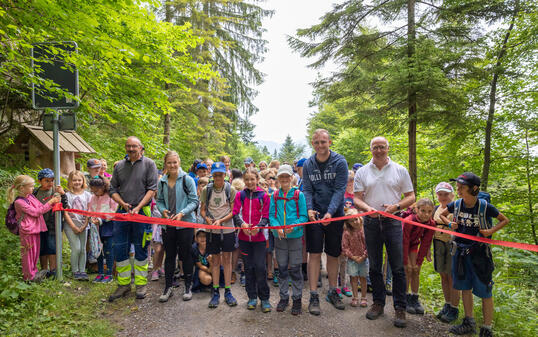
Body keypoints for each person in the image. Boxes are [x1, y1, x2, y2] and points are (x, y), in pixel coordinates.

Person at [353, 136, 415, 328]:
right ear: (370, 149)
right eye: (375, 147)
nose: (378, 150)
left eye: (382, 147)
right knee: (374, 266)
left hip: (393, 222)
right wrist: (367, 209)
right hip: (371, 223)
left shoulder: (400, 169)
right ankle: (378, 303)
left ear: (388, 148)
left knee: (397, 267)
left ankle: (400, 307)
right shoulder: (362, 172)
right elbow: (356, 198)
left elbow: (411, 196)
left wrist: (396, 206)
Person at [440, 172, 509, 337]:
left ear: (474, 188)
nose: (458, 189)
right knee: (465, 287)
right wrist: (450, 223)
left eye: (462, 187)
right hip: (460, 253)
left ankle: (486, 329)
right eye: (458, 186)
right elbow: (442, 214)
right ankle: (468, 322)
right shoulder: (456, 204)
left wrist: (490, 231)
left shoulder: (484, 206)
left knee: (485, 291)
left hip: (480, 255)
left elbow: (504, 220)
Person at [302, 129, 348, 315]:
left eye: (323, 142)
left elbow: (340, 190)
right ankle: (313, 294)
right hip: (315, 214)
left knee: (332, 253)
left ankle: (332, 290)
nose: (320, 145)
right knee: (314, 253)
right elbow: (307, 189)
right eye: (317, 142)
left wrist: (330, 213)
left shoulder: (340, 162)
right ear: (313, 144)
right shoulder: (308, 164)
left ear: (329, 142)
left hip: (335, 214)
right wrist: (309, 209)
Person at [108, 136, 159, 301]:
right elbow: (112, 188)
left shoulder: (149, 164)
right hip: (122, 213)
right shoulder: (120, 166)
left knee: (141, 247)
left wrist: (137, 208)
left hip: (142, 212)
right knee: (120, 248)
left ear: (141, 148)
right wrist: (122, 203)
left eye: (134, 146)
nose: (130, 149)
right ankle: (123, 285)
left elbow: (152, 189)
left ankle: (141, 283)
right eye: (128, 146)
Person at [156, 151, 199, 302]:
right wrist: (163, 211)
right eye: (169, 163)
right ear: (165, 164)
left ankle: (188, 286)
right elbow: (159, 201)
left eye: (175, 162)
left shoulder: (187, 179)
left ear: (179, 162)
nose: (172, 165)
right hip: (168, 225)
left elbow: (194, 201)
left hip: (185, 223)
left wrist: (182, 213)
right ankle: (168, 287)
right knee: (169, 255)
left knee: (185, 254)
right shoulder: (162, 181)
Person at [269, 164, 308, 315]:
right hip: (280, 238)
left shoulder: (299, 195)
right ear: (278, 178)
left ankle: (297, 299)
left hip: (295, 237)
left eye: (287, 176)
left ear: (292, 178)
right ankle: (284, 297)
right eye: (281, 177)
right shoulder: (274, 195)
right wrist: (277, 227)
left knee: (296, 269)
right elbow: (272, 215)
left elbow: (303, 216)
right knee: (282, 268)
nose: (284, 179)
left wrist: (294, 226)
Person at [232, 168, 271, 312]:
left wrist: (258, 227)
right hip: (244, 238)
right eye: (246, 179)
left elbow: (266, 216)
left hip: (259, 238)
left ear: (257, 179)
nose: (249, 182)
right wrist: (242, 225)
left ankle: (265, 298)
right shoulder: (240, 195)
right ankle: (252, 297)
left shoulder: (264, 196)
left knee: (260, 267)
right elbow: (236, 213)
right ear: (243, 180)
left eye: (252, 179)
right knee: (248, 268)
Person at [8, 175, 60, 282]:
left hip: (36, 229)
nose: (33, 188)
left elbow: (40, 206)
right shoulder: (19, 202)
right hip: (27, 231)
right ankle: (28, 277)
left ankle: (34, 274)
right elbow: (36, 212)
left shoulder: (30, 196)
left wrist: (51, 201)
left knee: (35, 253)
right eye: (31, 186)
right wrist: (51, 202)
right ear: (22, 188)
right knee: (28, 255)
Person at [200, 162, 238, 308]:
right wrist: (208, 220)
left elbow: (233, 211)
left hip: (228, 229)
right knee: (215, 260)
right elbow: (203, 210)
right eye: (215, 175)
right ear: (212, 175)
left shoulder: (230, 189)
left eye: (220, 175)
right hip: (211, 231)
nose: (218, 178)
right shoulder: (206, 190)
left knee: (227, 260)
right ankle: (215, 291)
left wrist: (221, 221)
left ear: (225, 175)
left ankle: (228, 291)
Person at [433, 182, 460, 323]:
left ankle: (454, 308)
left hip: (452, 244)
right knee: (443, 275)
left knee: (452, 277)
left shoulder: (457, 208)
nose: (443, 197)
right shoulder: (436, 209)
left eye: (446, 194)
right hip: (438, 243)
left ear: (452, 195)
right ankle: (447, 304)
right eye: (440, 194)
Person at [403, 198, 435, 315]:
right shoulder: (408, 221)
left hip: (414, 245)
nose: (426, 214)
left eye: (429, 211)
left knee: (416, 270)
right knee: (408, 270)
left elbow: (425, 243)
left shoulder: (431, 223)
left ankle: (414, 298)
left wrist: (419, 263)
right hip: (403, 244)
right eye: (423, 211)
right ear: (416, 209)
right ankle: (405, 297)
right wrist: (406, 262)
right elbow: (404, 242)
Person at [34, 168, 67, 278]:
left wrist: (63, 195)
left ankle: (53, 270)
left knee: (52, 246)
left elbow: (65, 206)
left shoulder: (55, 192)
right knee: (42, 248)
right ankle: (44, 271)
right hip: (38, 225)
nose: (50, 183)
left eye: (52, 180)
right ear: (40, 181)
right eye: (46, 181)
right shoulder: (35, 193)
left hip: (53, 225)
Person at [86, 176, 117, 283]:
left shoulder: (110, 197)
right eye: (93, 190)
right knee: (97, 251)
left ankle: (109, 274)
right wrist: (91, 218)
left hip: (108, 228)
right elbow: (89, 209)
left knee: (108, 251)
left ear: (104, 187)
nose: (95, 192)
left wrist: (101, 220)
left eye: (97, 189)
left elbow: (113, 212)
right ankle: (100, 273)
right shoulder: (92, 197)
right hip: (96, 229)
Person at [64, 170, 93, 281]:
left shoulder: (87, 195)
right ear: (70, 181)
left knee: (82, 249)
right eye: (74, 180)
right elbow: (65, 212)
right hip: (70, 225)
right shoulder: (67, 195)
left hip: (84, 225)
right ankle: (75, 271)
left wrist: (85, 225)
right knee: (76, 248)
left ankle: (82, 271)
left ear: (83, 181)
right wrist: (73, 227)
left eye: (79, 180)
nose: (77, 182)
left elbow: (89, 211)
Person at [341, 208, 368, 308]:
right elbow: (345, 247)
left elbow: (369, 244)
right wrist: (353, 257)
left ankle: (364, 297)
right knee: (353, 278)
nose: (355, 222)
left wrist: (364, 256)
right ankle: (355, 297)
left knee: (363, 278)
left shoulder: (364, 229)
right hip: (352, 260)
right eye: (352, 221)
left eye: (356, 219)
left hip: (364, 259)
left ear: (360, 218)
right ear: (348, 223)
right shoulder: (347, 232)